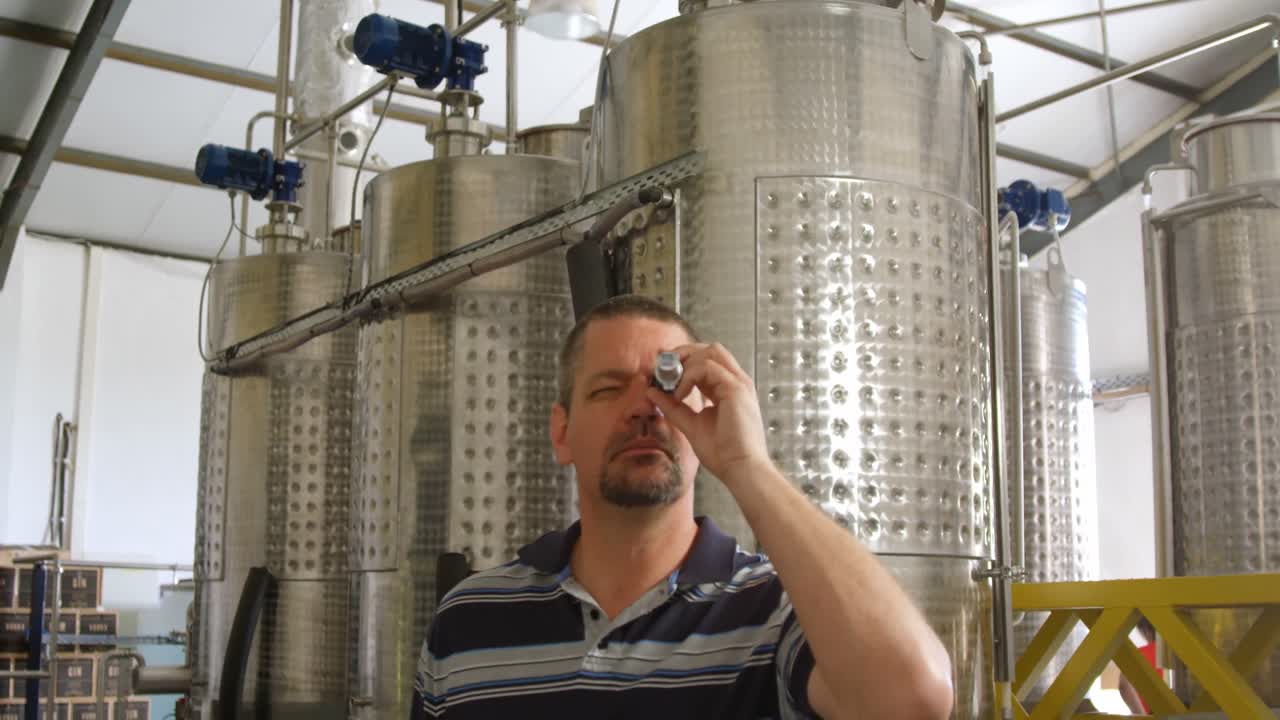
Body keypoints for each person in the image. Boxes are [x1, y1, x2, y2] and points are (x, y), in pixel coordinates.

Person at [414, 295, 954, 719]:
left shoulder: (775, 612)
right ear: (562, 432)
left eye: (666, 387)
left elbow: (912, 700)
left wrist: (749, 463)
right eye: (608, 390)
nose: (644, 410)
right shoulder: (470, 619)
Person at [1119, 618, 1162, 714]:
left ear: (1144, 629)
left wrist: (1140, 714)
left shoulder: (1138, 655)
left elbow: (1123, 685)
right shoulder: (1177, 655)